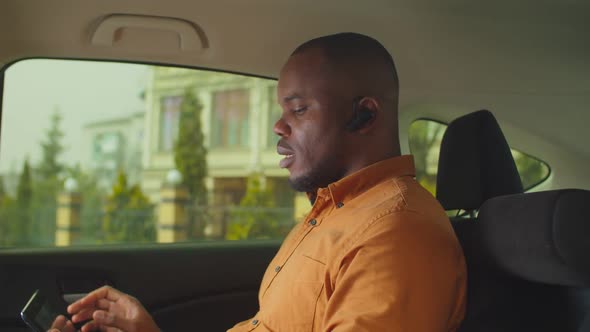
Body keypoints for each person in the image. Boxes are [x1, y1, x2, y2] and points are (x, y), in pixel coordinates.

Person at [57, 32, 467, 332]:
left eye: (299, 109)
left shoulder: (397, 234)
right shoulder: (334, 213)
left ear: (366, 115)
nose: (278, 126)